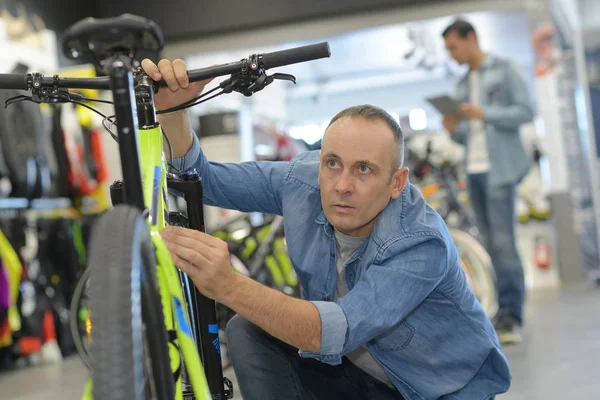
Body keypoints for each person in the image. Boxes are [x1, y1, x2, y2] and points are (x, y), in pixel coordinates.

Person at [142, 58, 511, 400]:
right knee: (248, 331)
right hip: (359, 375)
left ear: (397, 183)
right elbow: (201, 181)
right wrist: (174, 110)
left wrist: (229, 285)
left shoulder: (420, 243)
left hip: (438, 392)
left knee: (263, 316)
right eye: (332, 163)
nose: (342, 184)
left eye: (364, 169)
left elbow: (332, 332)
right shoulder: (305, 180)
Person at [441, 18, 534, 345]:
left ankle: (512, 315)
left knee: (504, 245)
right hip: (475, 171)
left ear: (471, 39)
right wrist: (454, 126)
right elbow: (466, 137)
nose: (451, 55)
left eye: (453, 47)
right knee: (490, 245)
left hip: (501, 170)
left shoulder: (504, 69)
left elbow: (526, 110)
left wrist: (484, 113)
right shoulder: (463, 84)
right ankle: (503, 310)